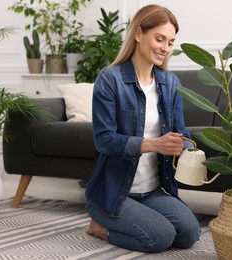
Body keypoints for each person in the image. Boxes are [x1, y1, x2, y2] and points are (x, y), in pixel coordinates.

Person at [85, 4, 201, 253]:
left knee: (190, 233)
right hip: (114, 192)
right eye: (159, 39)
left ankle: (141, 216)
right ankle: (100, 227)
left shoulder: (170, 83)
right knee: (160, 237)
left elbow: (181, 133)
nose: (165, 48)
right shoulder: (110, 79)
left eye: (170, 42)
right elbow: (103, 140)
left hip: (152, 191)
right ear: (138, 34)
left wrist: (186, 150)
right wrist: (154, 144)